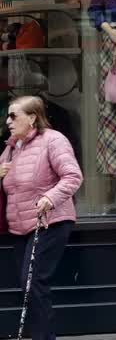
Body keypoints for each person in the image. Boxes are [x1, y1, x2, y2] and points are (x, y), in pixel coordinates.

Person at [0, 95, 83, 340]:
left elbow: (72, 176)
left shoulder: (53, 141)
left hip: (49, 222)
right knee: (28, 286)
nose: (8, 121)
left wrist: (50, 197)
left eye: (13, 115)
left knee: (34, 283)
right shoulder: (12, 147)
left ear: (33, 118)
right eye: (7, 116)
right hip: (19, 227)